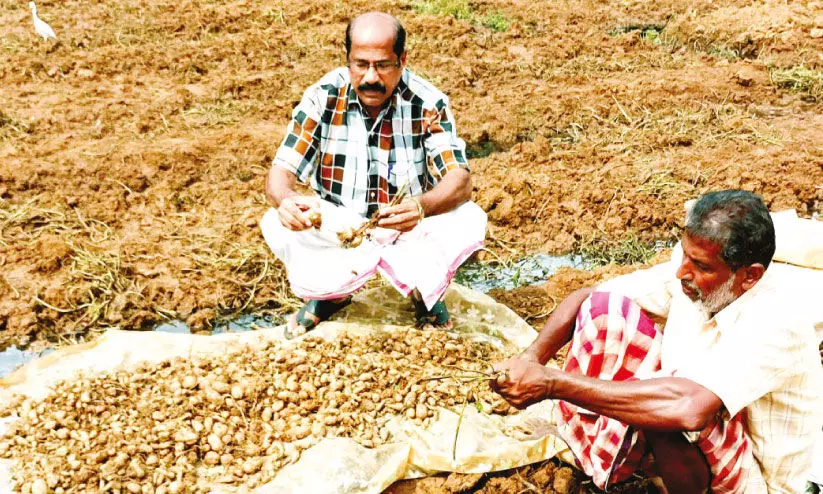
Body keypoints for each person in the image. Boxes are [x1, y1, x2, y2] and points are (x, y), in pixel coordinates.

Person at [491, 190, 822, 493]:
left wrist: (552, 384)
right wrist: (529, 360)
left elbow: (689, 409)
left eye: (701, 265)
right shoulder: (694, 279)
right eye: (685, 255)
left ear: (749, 276)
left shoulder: (778, 322)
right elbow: (586, 298)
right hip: (701, 425)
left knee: (665, 400)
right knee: (606, 310)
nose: (682, 272)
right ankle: (610, 454)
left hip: (758, 481)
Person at [261, 12, 486, 338]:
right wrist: (286, 201)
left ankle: (426, 293)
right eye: (361, 64)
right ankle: (329, 295)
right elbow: (281, 171)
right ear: (348, 59)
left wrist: (421, 206)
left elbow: (459, 179)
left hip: (406, 225)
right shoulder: (322, 97)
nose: (370, 77)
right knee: (277, 222)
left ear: (402, 60)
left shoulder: (426, 102)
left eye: (382, 65)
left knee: (466, 217)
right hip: (340, 226)